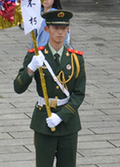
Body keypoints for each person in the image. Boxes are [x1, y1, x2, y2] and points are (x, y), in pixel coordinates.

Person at [13, 10, 86, 167]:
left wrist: (61, 116)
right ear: (46, 29)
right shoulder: (36, 55)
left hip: (68, 122)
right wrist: (30, 69)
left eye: (64, 28)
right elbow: (18, 87)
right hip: (43, 119)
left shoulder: (75, 58)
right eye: (55, 28)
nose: (60, 32)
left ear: (68, 30)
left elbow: (79, 94)